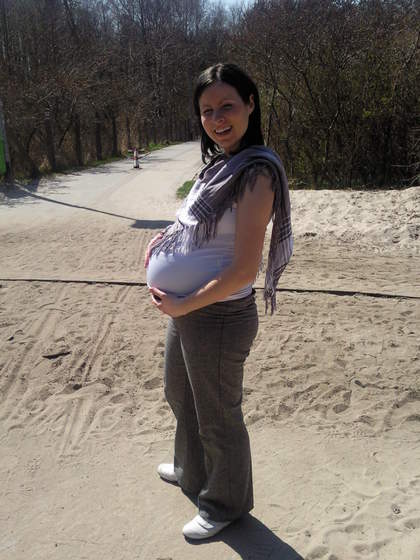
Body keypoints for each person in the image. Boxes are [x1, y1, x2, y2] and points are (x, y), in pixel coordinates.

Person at [144, 63, 293, 540]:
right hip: (190, 310)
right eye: (207, 110)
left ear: (251, 104)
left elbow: (244, 269)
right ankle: (191, 470)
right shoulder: (219, 166)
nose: (216, 119)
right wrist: (163, 241)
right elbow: (194, 224)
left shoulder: (256, 174)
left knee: (218, 416)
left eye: (227, 106)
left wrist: (183, 304)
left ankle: (225, 503)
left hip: (219, 315)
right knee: (180, 394)